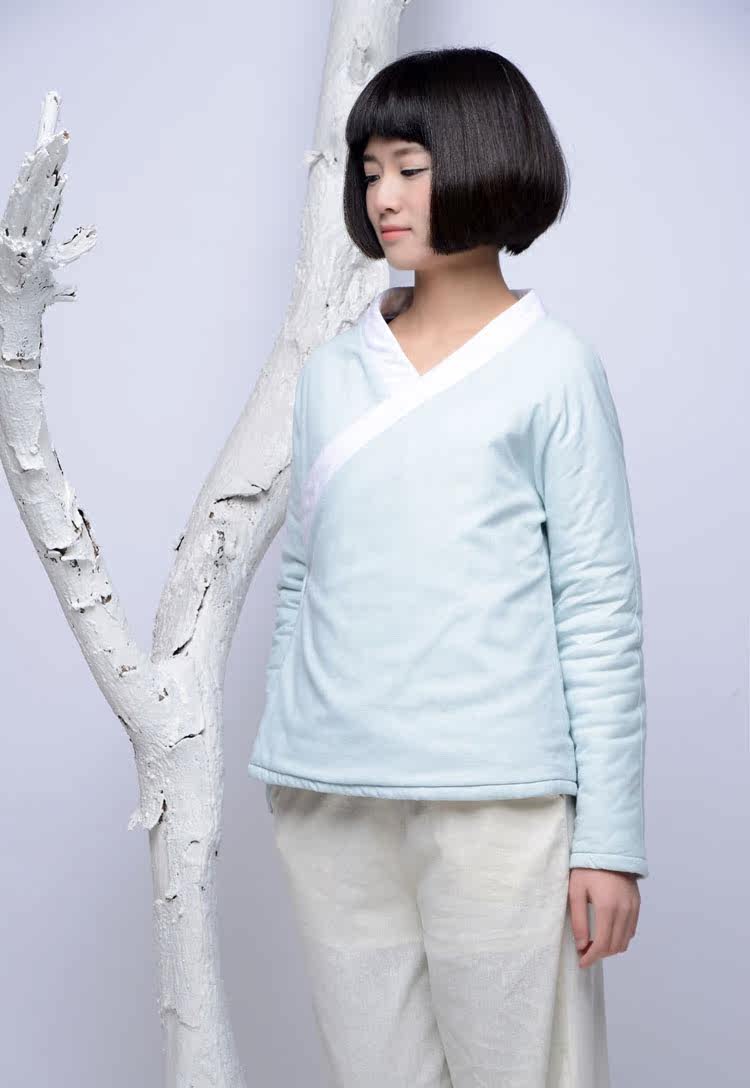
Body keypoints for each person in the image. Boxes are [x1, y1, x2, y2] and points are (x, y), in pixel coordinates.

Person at [247, 46, 647, 1088]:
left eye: (411, 167)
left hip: (500, 806)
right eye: (370, 169)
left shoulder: (554, 370)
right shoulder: (332, 373)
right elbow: (305, 575)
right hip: (333, 800)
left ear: (483, 161)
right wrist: (289, 747)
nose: (384, 195)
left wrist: (609, 841)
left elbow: (598, 608)